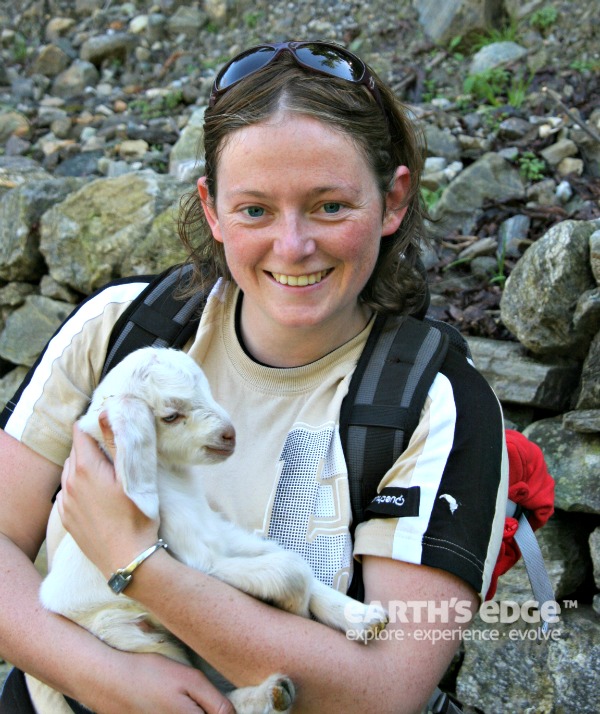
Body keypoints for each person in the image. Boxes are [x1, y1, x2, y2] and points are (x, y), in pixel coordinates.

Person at [0, 41, 507, 713]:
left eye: (329, 206)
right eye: (255, 210)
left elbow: (388, 688)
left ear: (392, 200)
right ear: (211, 209)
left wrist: (136, 563)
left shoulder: (435, 405)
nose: (293, 247)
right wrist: (108, 679)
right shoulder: (124, 329)